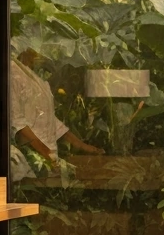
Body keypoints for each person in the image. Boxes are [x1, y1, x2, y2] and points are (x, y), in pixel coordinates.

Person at [10, 46, 103, 180]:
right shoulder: (13, 74)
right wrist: (46, 154)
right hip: (30, 161)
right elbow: (17, 123)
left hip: (48, 159)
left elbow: (48, 118)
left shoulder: (34, 75)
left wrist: (80, 145)